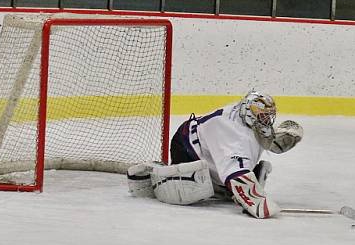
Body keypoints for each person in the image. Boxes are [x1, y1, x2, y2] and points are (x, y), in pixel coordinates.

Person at [125, 91, 303, 219]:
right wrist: (258, 202)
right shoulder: (234, 136)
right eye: (263, 117)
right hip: (187, 147)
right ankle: (154, 174)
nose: (267, 121)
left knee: (223, 187)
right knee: (194, 185)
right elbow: (237, 174)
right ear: (250, 115)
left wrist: (276, 140)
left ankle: (219, 185)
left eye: (268, 116)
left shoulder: (246, 114)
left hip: (210, 146)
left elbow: (258, 138)